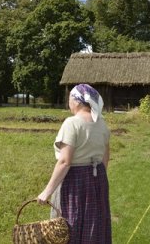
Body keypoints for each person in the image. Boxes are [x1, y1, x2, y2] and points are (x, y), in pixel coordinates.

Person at [37, 84, 111, 243]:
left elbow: (64, 161)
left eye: (69, 98)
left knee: (71, 222)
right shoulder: (101, 123)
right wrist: (96, 177)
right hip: (98, 178)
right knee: (94, 222)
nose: (68, 102)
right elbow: (106, 156)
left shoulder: (72, 123)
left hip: (75, 181)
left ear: (77, 101)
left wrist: (46, 192)